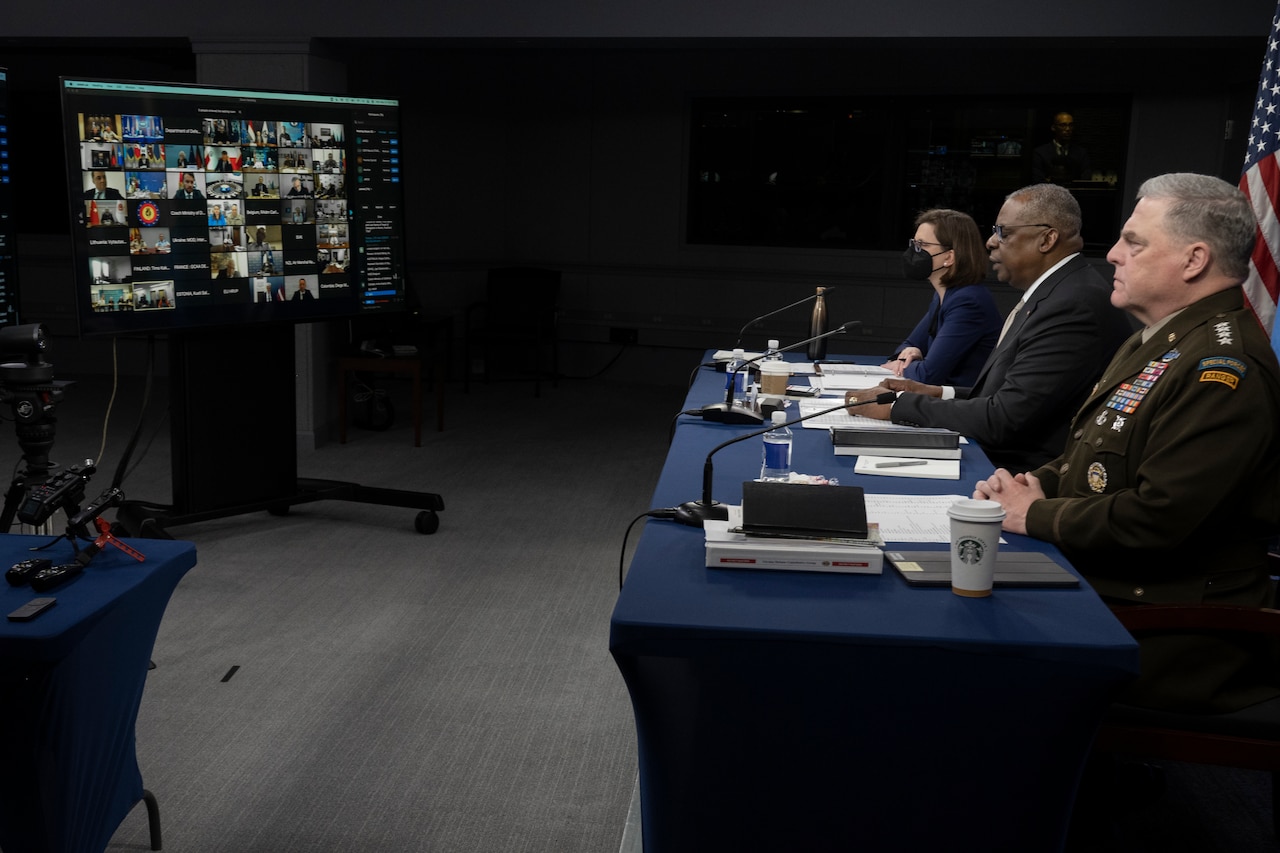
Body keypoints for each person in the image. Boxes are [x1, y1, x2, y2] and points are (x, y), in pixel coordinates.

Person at [974, 173, 1280, 713]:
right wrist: (1031, 484)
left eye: (1133, 242)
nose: (1112, 254)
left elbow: (1159, 518)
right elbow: (1094, 455)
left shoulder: (1221, 368)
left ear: (1193, 261)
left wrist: (1034, 516)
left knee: (966, 647)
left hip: (1172, 626)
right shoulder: (1158, 340)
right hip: (1113, 585)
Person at [845, 183, 1132, 471]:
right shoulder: (1058, 292)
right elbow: (1009, 399)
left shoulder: (1073, 304)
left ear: (1046, 239)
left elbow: (1004, 419)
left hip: (1018, 473)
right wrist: (932, 392)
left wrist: (897, 406)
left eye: (1002, 232)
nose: (990, 243)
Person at [885, 209, 1001, 386]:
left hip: (962, 406)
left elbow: (928, 375)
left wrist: (904, 365)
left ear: (949, 257)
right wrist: (911, 351)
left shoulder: (968, 301)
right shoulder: (944, 295)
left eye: (922, 245)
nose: (913, 252)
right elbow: (908, 344)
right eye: (914, 243)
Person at [1032, 112, 1091, 184]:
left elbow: (1085, 180)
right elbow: (1038, 181)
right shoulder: (1040, 152)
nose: (1068, 129)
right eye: (1063, 125)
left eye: (1071, 125)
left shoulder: (1081, 153)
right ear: (1053, 127)